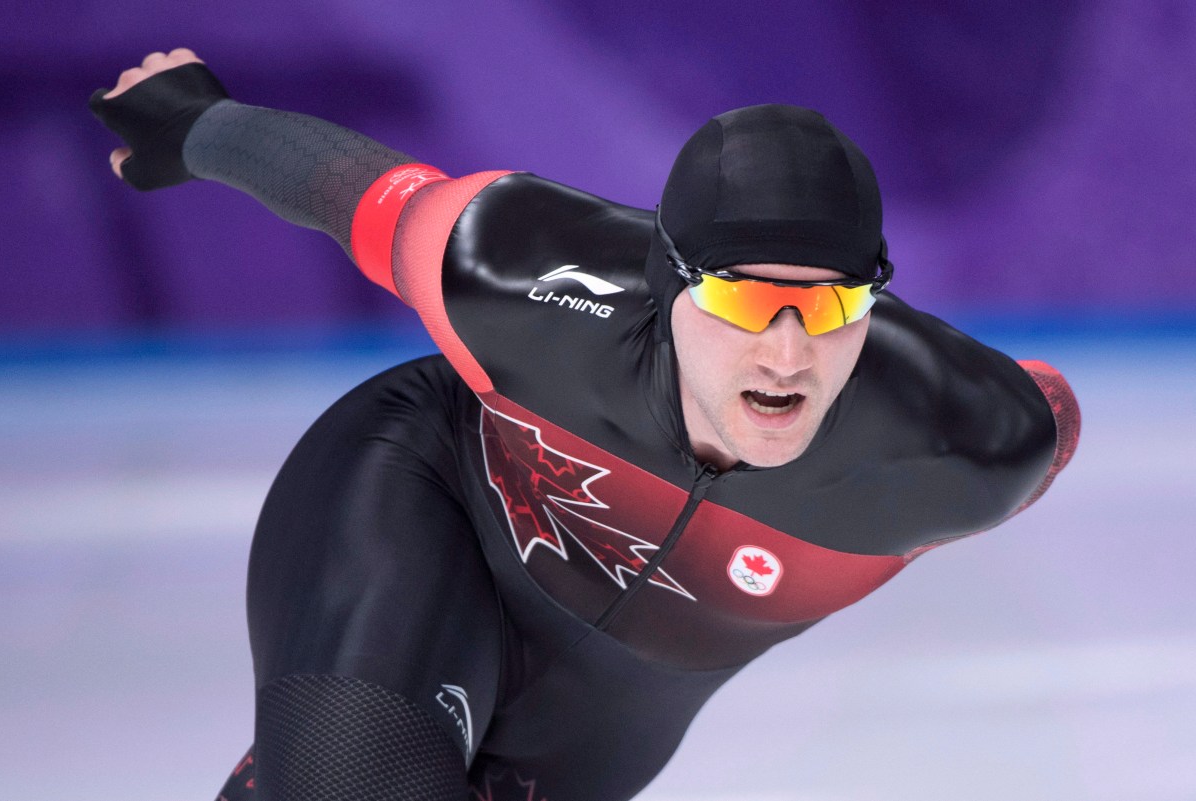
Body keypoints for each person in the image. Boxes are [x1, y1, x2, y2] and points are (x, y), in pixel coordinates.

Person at [90, 49, 1080, 801]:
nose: (787, 355)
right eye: (743, 303)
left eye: (828, 308)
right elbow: (352, 191)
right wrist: (198, 123)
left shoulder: (970, 442)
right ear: (666, 284)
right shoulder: (519, 270)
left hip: (611, 714)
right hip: (430, 504)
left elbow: (1049, 412)